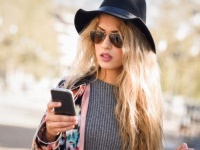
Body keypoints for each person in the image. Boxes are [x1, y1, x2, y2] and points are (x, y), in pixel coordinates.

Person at [32, 0, 194, 149]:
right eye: (99, 35)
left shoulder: (145, 103)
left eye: (116, 38)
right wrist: (49, 134)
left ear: (134, 45)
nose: (105, 44)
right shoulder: (72, 89)